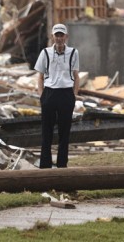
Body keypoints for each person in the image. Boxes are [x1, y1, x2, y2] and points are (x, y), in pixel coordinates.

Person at [34, 23, 80, 168]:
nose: (59, 38)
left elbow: (76, 76)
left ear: (66, 37)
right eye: (57, 35)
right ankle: (45, 165)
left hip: (66, 94)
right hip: (50, 93)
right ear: (52, 36)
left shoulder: (73, 53)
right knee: (46, 131)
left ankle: (62, 164)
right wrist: (42, 96)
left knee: (64, 132)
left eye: (61, 35)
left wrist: (74, 95)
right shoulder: (45, 53)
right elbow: (40, 77)